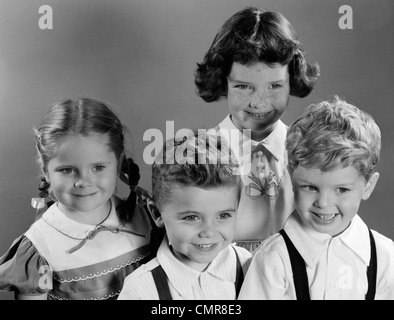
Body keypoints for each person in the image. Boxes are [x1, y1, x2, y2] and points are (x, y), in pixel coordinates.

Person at [238, 96, 394, 300]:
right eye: (311, 187)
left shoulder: (385, 257)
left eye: (342, 190)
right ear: (291, 179)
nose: (323, 203)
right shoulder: (274, 258)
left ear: (368, 186)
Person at [0, 98, 155, 300]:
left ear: (118, 164)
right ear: (45, 170)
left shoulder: (146, 219)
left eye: (98, 167)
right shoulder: (40, 248)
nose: (83, 182)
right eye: (68, 170)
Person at [194, 7, 320, 251]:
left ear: (291, 81)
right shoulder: (198, 157)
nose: (259, 103)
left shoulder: (310, 152)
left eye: (274, 86)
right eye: (243, 86)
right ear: (222, 82)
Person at [118, 131, 252, 300]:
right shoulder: (141, 289)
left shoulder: (251, 266)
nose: (209, 232)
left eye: (224, 215)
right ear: (157, 214)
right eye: (191, 217)